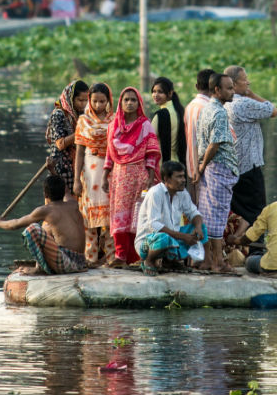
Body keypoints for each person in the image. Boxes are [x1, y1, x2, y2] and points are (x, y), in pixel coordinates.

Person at [104, 86, 161, 266]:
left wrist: (150, 178)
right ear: (120, 102)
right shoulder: (114, 125)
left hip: (139, 175)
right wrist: (104, 174)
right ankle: (121, 256)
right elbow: (109, 153)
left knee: (137, 216)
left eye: (133, 100)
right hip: (119, 176)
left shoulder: (145, 125)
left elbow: (152, 153)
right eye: (126, 100)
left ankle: (137, 257)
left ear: (139, 104)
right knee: (120, 215)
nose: (129, 103)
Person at [0, 174, 90, 275]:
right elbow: (65, 190)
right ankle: (43, 266)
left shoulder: (46, 210)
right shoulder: (73, 204)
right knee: (46, 229)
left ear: (45, 194)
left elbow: (15, 224)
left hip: (68, 264)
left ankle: (38, 269)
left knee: (33, 229)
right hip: (80, 262)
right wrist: (53, 171)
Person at [193, 72, 241, 274]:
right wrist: (203, 166)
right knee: (218, 216)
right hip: (218, 167)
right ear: (216, 90)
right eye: (229, 88)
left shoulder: (207, 109)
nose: (233, 91)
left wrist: (202, 166)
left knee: (207, 213)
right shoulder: (220, 113)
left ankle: (206, 260)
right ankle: (217, 262)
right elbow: (215, 143)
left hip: (211, 168)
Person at [223, 64, 277, 227]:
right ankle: (255, 249)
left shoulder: (223, 104)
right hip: (249, 167)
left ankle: (239, 248)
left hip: (232, 166)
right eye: (245, 80)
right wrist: (251, 94)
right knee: (256, 213)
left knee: (238, 211)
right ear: (234, 84)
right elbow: (273, 110)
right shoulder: (243, 103)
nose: (248, 83)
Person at [134, 161, 203, 275]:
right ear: (167, 179)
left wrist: (198, 227)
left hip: (172, 237)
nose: (183, 180)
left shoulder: (182, 193)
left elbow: (194, 212)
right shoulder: (155, 193)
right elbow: (154, 225)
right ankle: (149, 261)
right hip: (148, 242)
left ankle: (169, 261)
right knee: (164, 238)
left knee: (202, 229)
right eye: (179, 177)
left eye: (183, 176)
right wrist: (183, 236)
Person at [72, 82, 113, 262]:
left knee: (109, 219)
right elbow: (79, 152)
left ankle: (111, 258)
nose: (98, 105)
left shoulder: (114, 120)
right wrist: (76, 180)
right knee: (89, 219)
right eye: (95, 101)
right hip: (89, 170)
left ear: (108, 101)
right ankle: (91, 258)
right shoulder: (83, 121)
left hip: (109, 169)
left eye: (102, 101)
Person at [44, 79, 89, 189]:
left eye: (86, 101)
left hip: (77, 166)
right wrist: (80, 132)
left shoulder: (82, 115)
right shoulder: (59, 114)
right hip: (60, 167)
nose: (83, 104)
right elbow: (60, 144)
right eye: (80, 100)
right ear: (71, 99)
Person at [182, 68, 216, 184]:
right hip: (208, 169)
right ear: (216, 87)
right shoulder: (211, 108)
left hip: (192, 166)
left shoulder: (189, 107)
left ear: (197, 86)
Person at [149, 76, 187, 170]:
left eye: (160, 92)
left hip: (163, 166)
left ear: (170, 93)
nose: (156, 95)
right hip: (179, 164)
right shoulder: (180, 112)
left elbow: (149, 143)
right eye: (154, 91)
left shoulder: (160, 115)